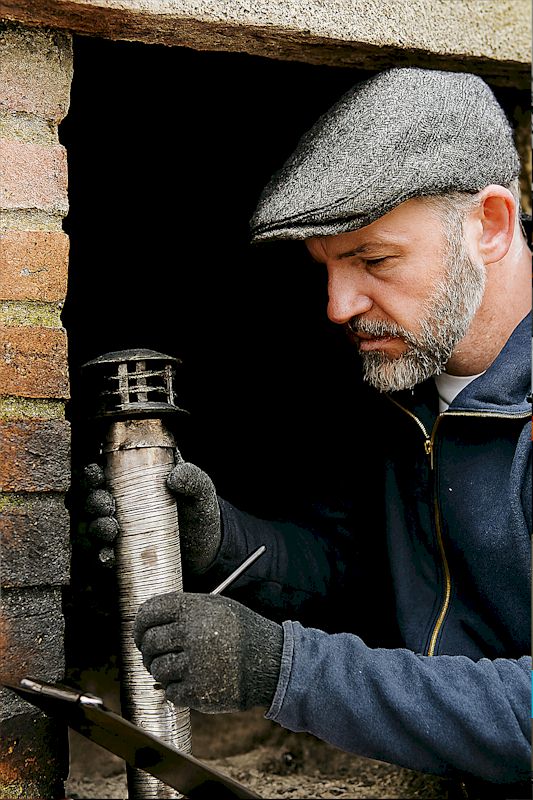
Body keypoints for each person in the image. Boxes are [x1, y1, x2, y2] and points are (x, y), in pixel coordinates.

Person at [83, 68, 532, 800]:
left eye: (373, 259)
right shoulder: (405, 390)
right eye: (324, 267)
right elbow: (355, 568)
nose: (336, 305)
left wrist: (287, 671)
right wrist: (221, 543)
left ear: (489, 224)